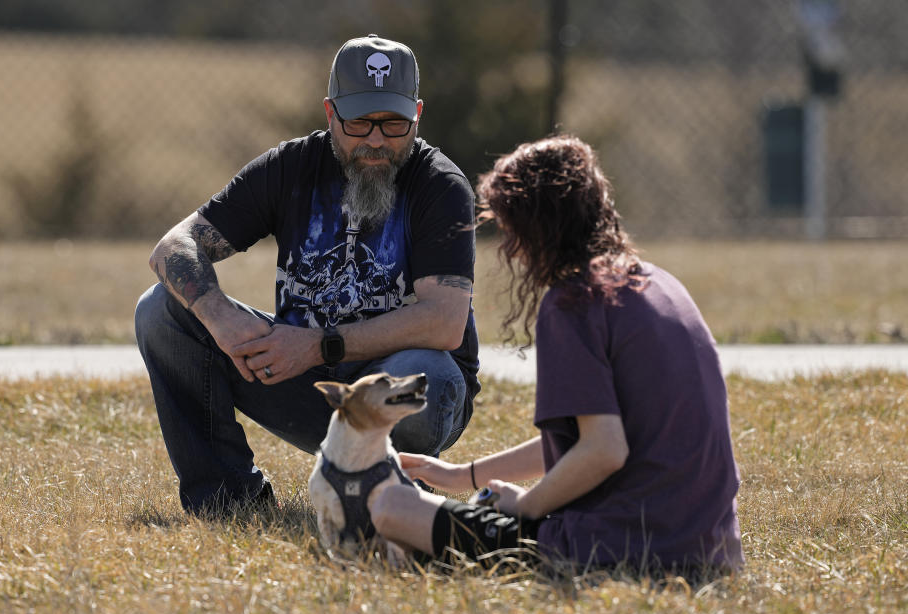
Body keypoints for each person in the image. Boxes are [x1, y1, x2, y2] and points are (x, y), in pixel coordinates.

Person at [134, 35, 480, 517]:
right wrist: (220, 317)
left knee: (424, 373)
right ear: (329, 112)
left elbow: (444, 322)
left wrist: (317, 345)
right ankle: (227, 498)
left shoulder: (441, 185)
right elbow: (174, 247)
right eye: (359, 122)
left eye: (394, 123)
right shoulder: (289, 167)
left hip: (404, 388)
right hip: (307, 384)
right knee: (160, 311)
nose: (376, 140)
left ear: (417, 114)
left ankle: (386, 497)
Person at [371, 135, 744, 578]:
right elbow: (585, 439)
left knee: (391, 506)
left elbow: (603, 450)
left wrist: (526, 507)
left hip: (622, 551)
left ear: (538, 229)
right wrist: (460, 475)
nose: (511, 250)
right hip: (710, 549)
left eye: (512, 231)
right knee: (477, 503)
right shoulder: (658, 283)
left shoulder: (574, 302)